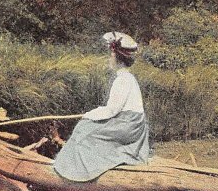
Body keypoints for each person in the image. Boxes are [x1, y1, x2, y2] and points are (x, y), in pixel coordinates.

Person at [53, 32, 150, 182]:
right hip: (130, 123)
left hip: (128, 125)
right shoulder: (126, 77)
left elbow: (112, 110)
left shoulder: (123, 80)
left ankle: (76, 174)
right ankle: (75, 168)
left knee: (84, 130)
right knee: (86, 127)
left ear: (118, 58)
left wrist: (89, 115)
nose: (109, 59)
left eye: (111, 56)